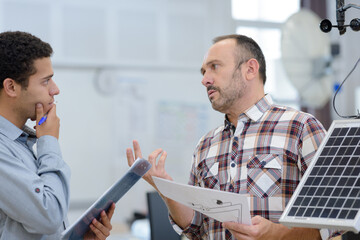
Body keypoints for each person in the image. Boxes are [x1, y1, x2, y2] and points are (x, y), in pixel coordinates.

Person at [127, 34, 341, 239]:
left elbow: (334, 220)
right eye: (202, 71)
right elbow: (194, 228)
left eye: (214, 67)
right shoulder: (205, 145)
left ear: (250, 69)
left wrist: (277, 235)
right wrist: (164, 185)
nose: (204, 80)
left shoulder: (301, 127)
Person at [0, 31, 115, 239]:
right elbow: (49, 215)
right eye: (46, 81)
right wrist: (49, 141)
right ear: (11, 87)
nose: (55, 90)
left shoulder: (18, 144)